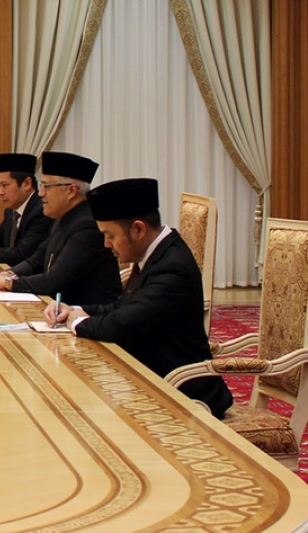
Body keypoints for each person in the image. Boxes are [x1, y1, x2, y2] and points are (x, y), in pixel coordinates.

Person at [46, 178, 233, 418]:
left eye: (110, 236)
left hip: (182, 393)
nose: (106, 244)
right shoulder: (156, 253)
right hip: (148, 380)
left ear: (138, 229)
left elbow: (120, 325)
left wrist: (75, 322)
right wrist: (76, 310)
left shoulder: (172, 267)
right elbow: (123, 307)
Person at [0, 151, 121, 307]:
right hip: (57, 310)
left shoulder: (88, 225)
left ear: (71, 191)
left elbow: (53, 281)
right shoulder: (63, 218)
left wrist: (7, 282)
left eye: (46, 187)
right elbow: (35, 261)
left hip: (87, 315)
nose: (41, 194)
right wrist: (6, 274)